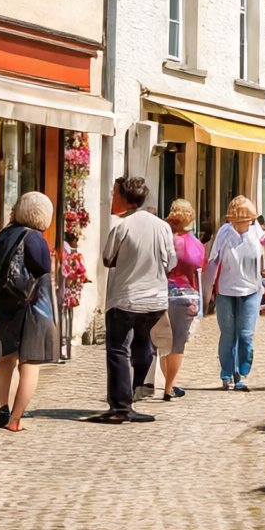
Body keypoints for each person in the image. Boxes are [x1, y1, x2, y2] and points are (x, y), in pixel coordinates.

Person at [98, 177, 176, 423]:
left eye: (114, 193)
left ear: (123, 197)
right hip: (155, 298)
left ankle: (121, 406)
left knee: (118, 350)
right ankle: (137, 389)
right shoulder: (162, 226)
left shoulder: (123, 226)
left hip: (126, 297)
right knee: (143, 342)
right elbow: (171, 262)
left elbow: (108, 259)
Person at [0, 191, 58, 432]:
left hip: (2, 303)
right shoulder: (35, 238)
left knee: (5, 356)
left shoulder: (3, 235)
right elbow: (43, 269)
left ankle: (2, 408)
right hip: (31, 306)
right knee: (29, 362)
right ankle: (15, 419)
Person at [207, 196, 265, 390]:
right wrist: (208, 290)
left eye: (244, 220)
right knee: (228, 334)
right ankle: (226, 374)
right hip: (226, 290)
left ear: (251, 219)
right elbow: (213, 260)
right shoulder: (224, 233)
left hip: (251, 290)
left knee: (246, 334)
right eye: (236, 220)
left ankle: (241, 373)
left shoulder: (259, 235)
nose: (240, 224)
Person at [158, 199, 204, 402]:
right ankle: (169, 387)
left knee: (163, 343)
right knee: (178, 344)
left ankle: (168, 384)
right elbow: (199, 268)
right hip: (187, 296)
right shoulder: (195, 244)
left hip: (163, 293)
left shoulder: (165, 239)